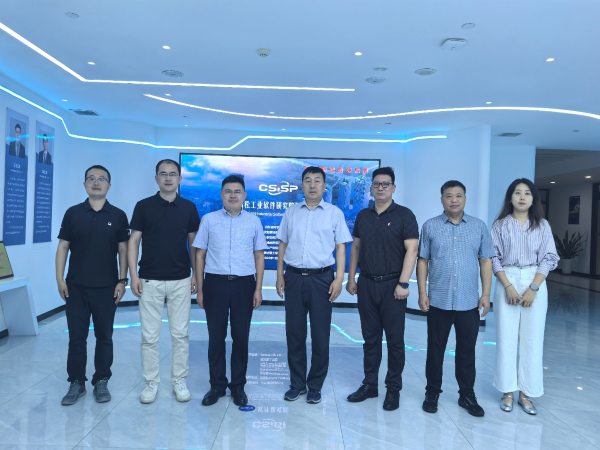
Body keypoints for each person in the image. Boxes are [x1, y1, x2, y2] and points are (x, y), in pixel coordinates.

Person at [417, 180, 495, 417]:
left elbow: (486, 261)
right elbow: (423, 260)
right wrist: (422, 293)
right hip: (438, 301)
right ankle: (432, 393)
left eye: (458, 195)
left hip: (468, 301)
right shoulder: (430, 226)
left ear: (465, 199)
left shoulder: (478, 226)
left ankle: (467, 395)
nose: (454, 200)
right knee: (435, 350)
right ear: (442, 199)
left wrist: (486, 295)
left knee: (467, 351)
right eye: (449, 195)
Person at [276, 166, 352, 404]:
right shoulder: (291, 212)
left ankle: (315, 385)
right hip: (294, 277)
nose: (312, 185)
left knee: (320, 334)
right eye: (307, 180)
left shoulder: (334, 213)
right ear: (301, 186)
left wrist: (339, 279)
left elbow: (341, 248)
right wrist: (280, 276)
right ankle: (297, 384)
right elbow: (282, 245)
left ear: (324, 186)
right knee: (294, 334)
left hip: (322, 279)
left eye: (317, 181)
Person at [346, 167, 419, 411]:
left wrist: (403, 283)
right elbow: (356, 248)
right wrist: (351, 278)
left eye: (386, 184)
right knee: (370, 339)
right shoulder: (363, 215)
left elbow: (412, 250)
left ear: (393, 188)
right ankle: (370, 385)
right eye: (377, 184)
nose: (381, 187)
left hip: (393, 286)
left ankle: (393, 389)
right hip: (366, 283)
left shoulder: (404, 215)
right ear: (371, 187)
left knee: (395, 341)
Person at [56, 165, 129, 405]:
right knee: (76, 338)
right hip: (75, 287)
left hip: (107, 288)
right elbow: (63, 247)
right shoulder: (73, 213)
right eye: (91, 178)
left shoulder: (118, 215)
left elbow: (123, 250)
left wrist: (122, 280)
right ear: (84, 184)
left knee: (104, 337)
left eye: (101, 179)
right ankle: (76, 382)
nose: (96, 182)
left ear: (109, 185)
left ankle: (101, 381)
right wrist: (60, 279)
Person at [128, 159, 200, 404]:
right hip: (149, 279)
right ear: (156, 178)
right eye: (163, 174)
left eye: (172, 174)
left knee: (180, 335)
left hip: (181, 279)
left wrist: (195, 274)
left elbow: (194, 244)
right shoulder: (143, 206)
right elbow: (133, 242)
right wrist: (133, 275)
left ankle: (179, 380)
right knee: (149, 337)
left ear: (180, 179)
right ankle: (151, 382)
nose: (168, 178)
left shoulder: (189, 207)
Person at [193, 175, 268, 407]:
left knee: (241, 337)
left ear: (244, 195)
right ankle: (217, 386)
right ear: (221, 195)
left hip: (244, 285)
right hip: (214, 283)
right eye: (228, 191)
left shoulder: (254, 221)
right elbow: (200, 255)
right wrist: (200, 288)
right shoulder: (209, 220)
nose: (233, 195)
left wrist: (258, 289)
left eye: (237, 191)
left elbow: (259, 256)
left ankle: (238, 387)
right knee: (216, 337)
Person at [491, 178, 559, 415]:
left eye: (527, 193)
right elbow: (493, 257)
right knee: (506, 337)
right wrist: (508, 286)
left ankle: (527, 393)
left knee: (533, 339)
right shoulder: (500, 225)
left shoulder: (542, 226)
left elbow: (549, 258)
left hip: (534, 279)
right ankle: (507, 391)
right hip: (507, 278)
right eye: (517, 193)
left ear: (533, 199)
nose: (522, 197)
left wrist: (533, 288)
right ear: (510, 198)